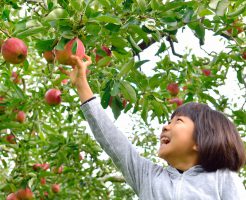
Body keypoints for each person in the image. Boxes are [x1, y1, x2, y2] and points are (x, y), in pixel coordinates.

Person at [59, 55, 246, 199]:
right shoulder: (148, 177)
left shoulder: (221, 178)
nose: (165, 127)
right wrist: (82, 86)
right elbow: (113, 142)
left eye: (178, 121)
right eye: (168, 121)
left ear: (202, 139)